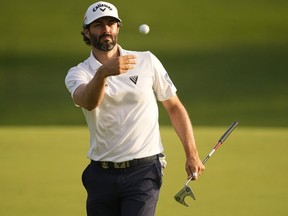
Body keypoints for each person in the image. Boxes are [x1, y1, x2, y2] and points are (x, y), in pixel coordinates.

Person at [65, 1, 205, 216]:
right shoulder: (78, 73)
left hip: (144, 171)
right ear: (86, 31)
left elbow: (174, 106)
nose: (106, 30)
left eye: (111, 23)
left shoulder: (146, 60)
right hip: (100, 173)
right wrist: (103, 73)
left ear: (118, 28)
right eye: (98, 25)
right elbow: (88, 102)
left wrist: (192, 153)